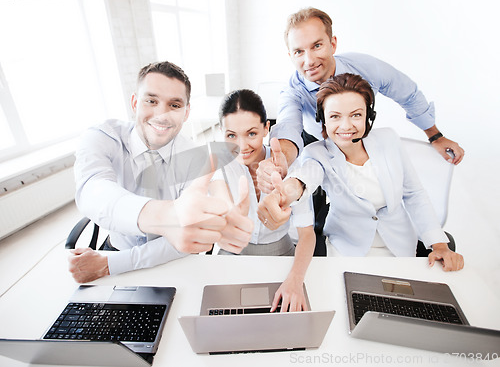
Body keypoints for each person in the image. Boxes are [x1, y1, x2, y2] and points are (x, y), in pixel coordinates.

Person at [68, 61, 253, 283]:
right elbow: (93, 190)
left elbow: (186, 238)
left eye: (175, 105)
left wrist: (109, 266)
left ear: (186, 112)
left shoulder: (194, 155)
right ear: (135, 102)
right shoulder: (103, 137)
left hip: (169, 261)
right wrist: (167, 216)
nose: (162, 115)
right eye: (151, 101)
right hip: (116, 249)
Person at [258, 73, 464, 271]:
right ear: (324, 120)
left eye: (356, 115)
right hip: (347, 251)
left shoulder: (389, 140)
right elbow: (305, 178)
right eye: (335, 116)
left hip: (399, 249)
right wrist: (283, 192)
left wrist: (439, 245)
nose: (346, 126)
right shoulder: (316, 153)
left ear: (368, 117)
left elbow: (414, 194)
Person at [257, 7, 464, 194]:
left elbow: (407, 93)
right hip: (316, 144)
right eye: (299, 52)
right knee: (316, 214)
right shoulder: (292, 91)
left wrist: (435, 135)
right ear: (290, 55)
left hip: (360, 141)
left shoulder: (366, 67)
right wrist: (280, 160)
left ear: (333, 43)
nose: (309, 61)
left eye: (317, 46)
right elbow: (287, 128)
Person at [213, 89, 315, 311]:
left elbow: (307, 234)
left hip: (281, 254)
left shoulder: (288, 165)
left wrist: (295, 281)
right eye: (231, 135)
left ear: (266, 128)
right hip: (232, 254)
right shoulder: (219, 166)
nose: (242, 146)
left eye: (251, 134)